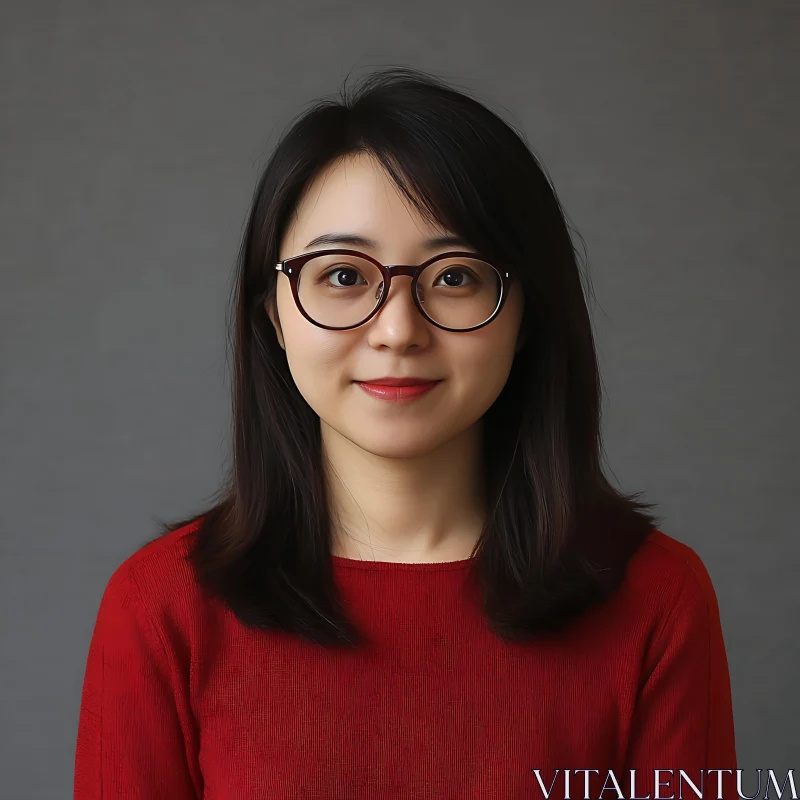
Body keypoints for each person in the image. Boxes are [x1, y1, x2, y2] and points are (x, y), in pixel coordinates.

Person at [73, 67, 737, 799]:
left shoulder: (657, 599)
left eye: (455, 278)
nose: (397, 331)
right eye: (343, 276)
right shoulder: (162, 608)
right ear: (273, 314)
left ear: (525, 316)